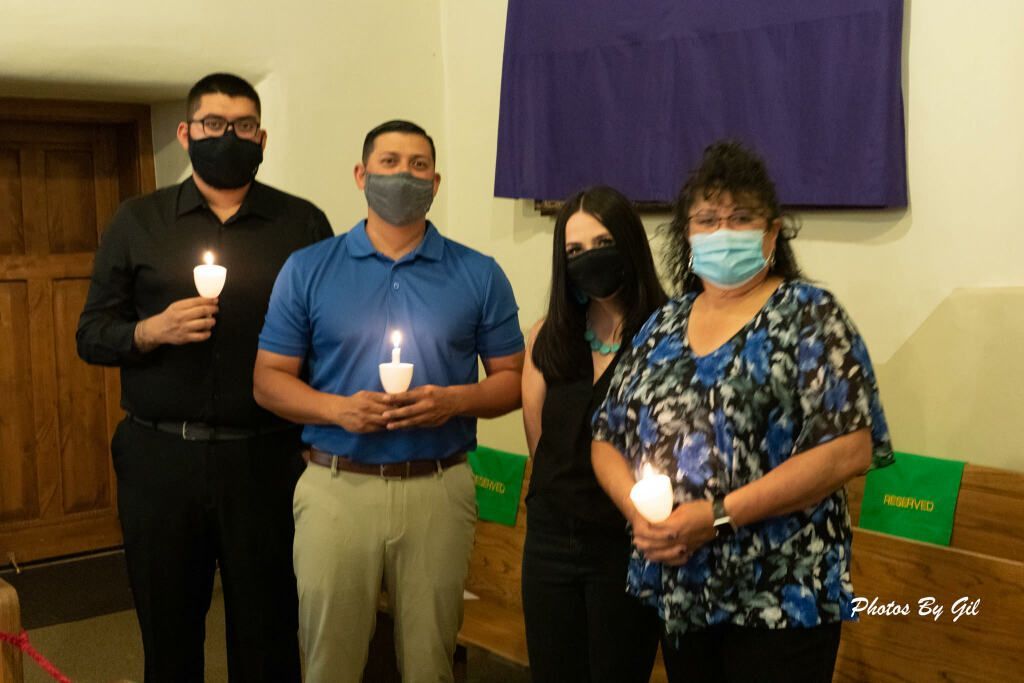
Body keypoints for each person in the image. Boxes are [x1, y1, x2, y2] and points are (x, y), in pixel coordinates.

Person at [590, 141, 894, 683]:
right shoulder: (663, 325)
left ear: (772, 234)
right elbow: (606, 437)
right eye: (707, 219)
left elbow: (848, 447)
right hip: (682, 587)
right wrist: (636, 512)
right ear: (687, 235)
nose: (723, 230)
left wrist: (720, 515)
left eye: (741, 217)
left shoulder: (808, 316)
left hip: (779, 594)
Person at [76, 73, 333, 681]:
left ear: (262, 137)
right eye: (214, 125)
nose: (229, 136)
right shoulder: (138, 221)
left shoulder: (301, 225)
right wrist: (149, 331)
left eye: (243, 126)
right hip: (161, 456)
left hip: (266, 457)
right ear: (186, 133)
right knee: (168, 633)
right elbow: (91, 334)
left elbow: (328, 338)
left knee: (270, 632)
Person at [252, 119, 525, 683]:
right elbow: (268, 380)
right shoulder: (309, 269)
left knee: (431, 661)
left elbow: (512, 380)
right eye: (390, 163)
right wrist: (336, 409)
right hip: (337, 488)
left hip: (438, 488)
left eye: (419, 165)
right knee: (330, 662)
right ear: (361, 175)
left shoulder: (478, 273)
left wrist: (454, 400)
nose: (405, 175)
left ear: (436, 181)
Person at [520, 186, 666, 682]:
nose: (589, 260)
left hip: (626, 545)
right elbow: (538, 439)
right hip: (551, 542)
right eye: (574, 252)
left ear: (628, 243)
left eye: (602, 243)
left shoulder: (668, 332)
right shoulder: (548, 336)